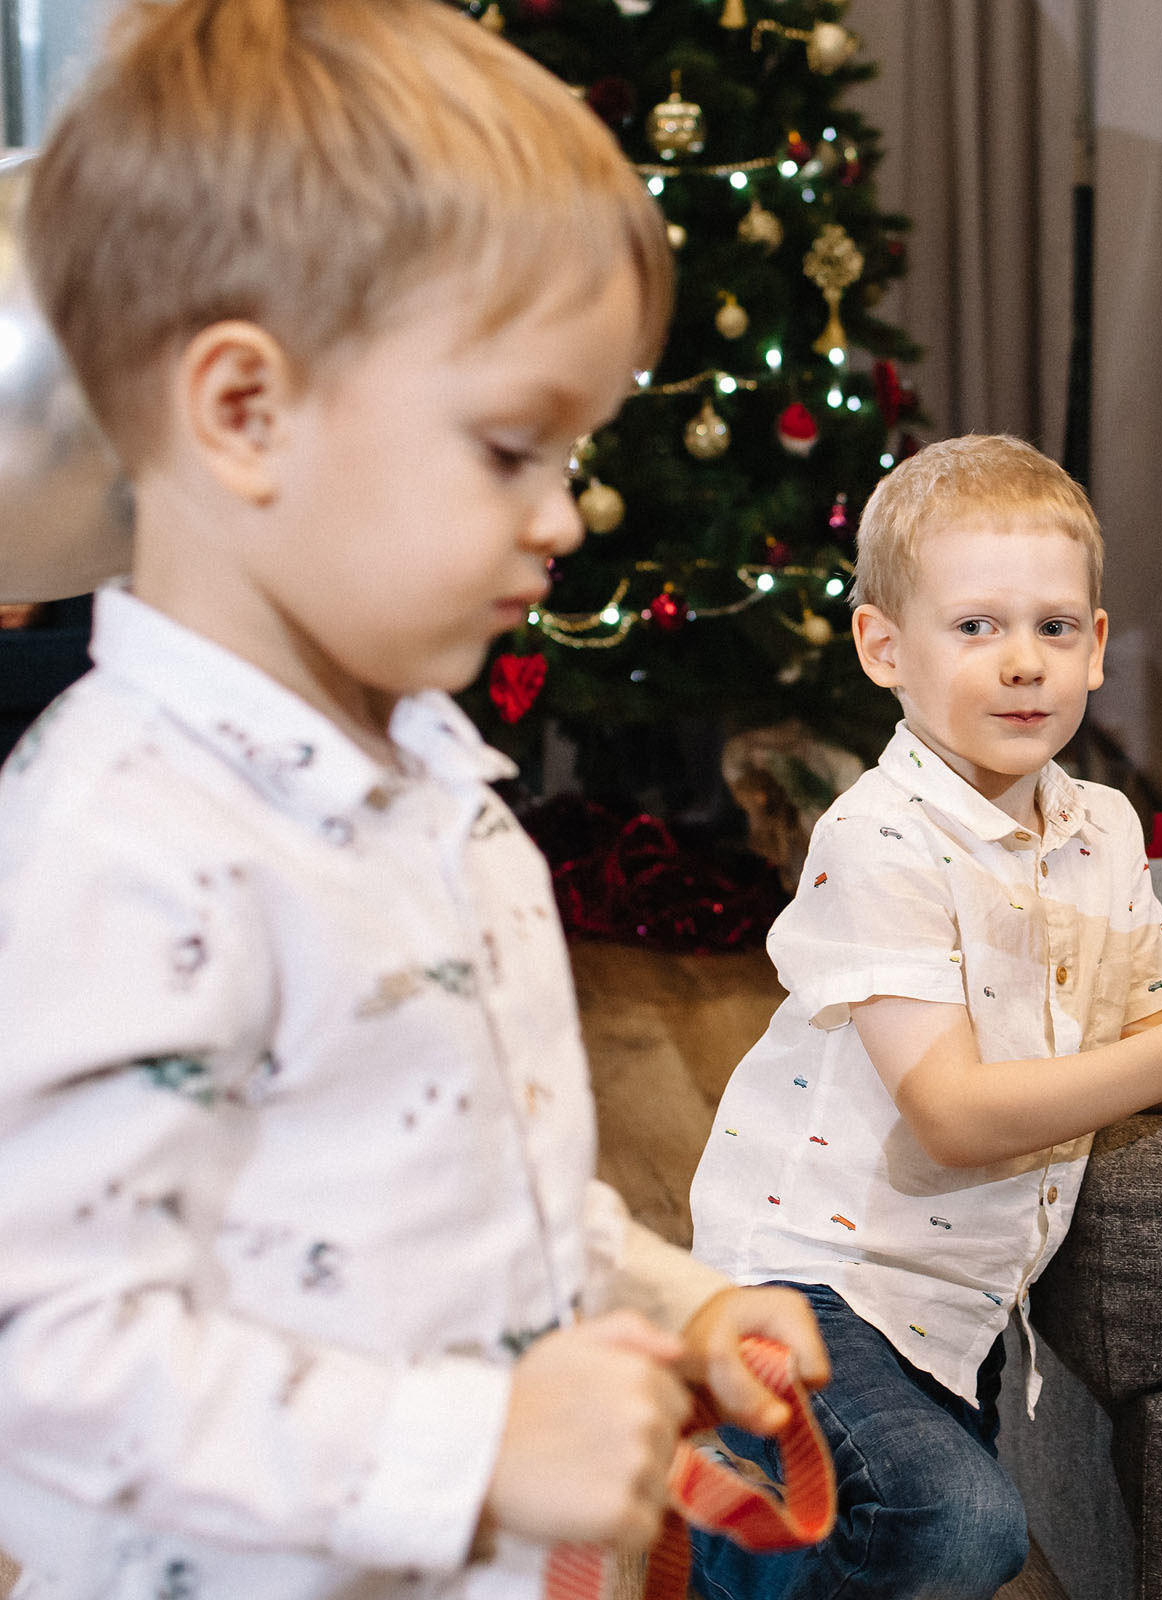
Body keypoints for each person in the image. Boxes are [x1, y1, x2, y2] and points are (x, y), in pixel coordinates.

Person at [0, 3, 828, 1595]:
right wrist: (479, 1448)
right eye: (514, 448)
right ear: (245, 414)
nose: (568, 513)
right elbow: (51, 1348)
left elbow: (466, 1190)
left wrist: (669, 1302)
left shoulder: (433, 792)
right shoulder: (126, 845)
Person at [685, 434, 1162, 1599]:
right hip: (807, 1275)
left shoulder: (1102, 830)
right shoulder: (876, 838)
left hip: (956, 1307)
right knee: (958, 1525)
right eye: (976, 627)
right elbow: (953, 1114)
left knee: (894, 1542)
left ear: (1094, 648)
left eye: (1051, 628)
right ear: (884, 648)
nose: (1021, 662)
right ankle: (711, 1516)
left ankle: (739, 1521)